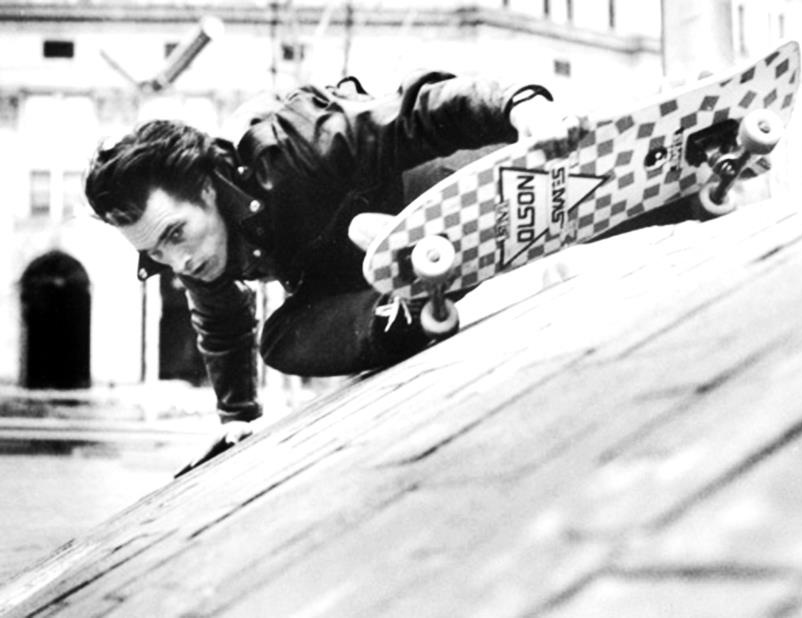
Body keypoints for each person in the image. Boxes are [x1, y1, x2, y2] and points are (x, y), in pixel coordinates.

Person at [84, 70, 585, 472]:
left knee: (385, 208)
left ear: (206, 187)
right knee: (281, 340)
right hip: (364, 282)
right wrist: (236, 418)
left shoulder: (288, 142)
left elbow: (414, 114)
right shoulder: (190, 250)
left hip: (428, 188)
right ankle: (409, 305)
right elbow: (222, 325)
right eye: (156, 253)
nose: (179, 263)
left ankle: (418, 247)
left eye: (175, 235)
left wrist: (519, 105)